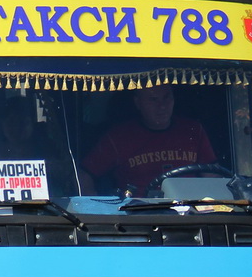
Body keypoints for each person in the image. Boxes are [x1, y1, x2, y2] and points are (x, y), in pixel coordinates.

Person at [80, 83, 216, 195]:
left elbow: (212, 176)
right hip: (139, 219)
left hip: (191, 216)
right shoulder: (118, 137)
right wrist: (96, 212)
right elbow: (84, 176)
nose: (162, 106)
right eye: (153, 99)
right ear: (138, 103)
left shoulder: (193, 130)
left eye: (166, 98)